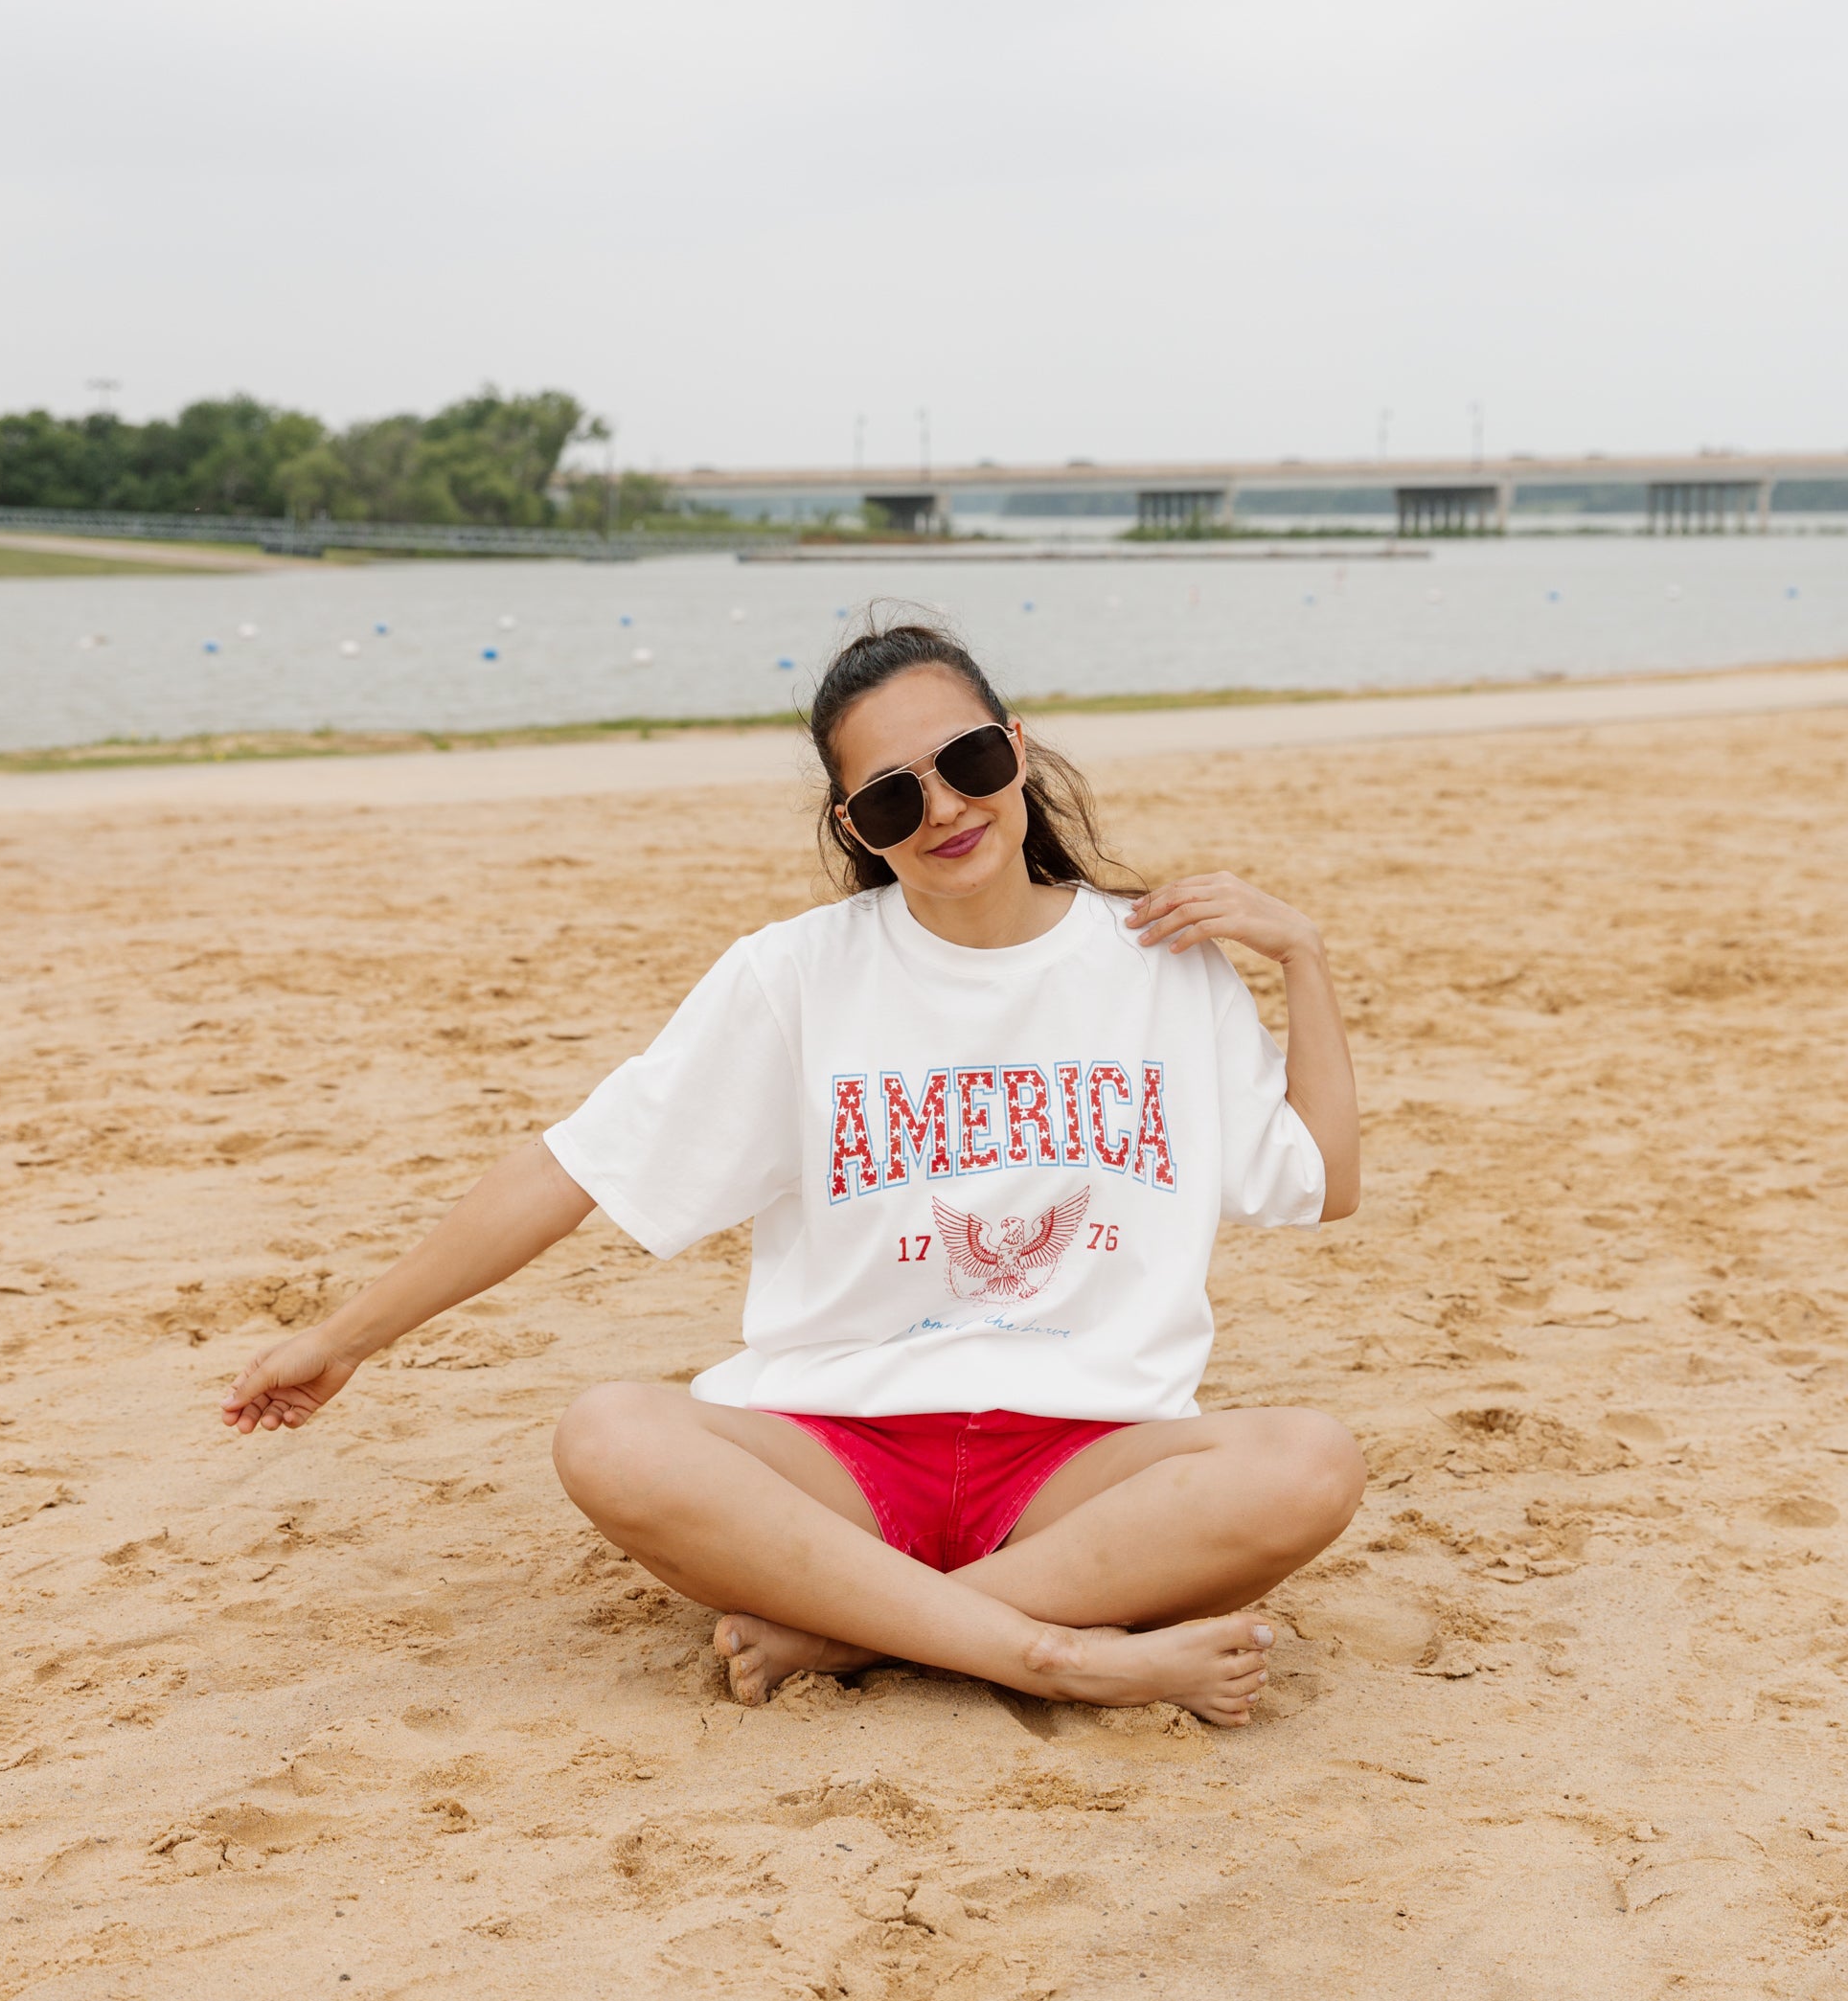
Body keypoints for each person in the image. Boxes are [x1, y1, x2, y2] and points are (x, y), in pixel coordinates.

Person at [222, 617, 1365, 1727]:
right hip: (838, 1457)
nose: (945, 810)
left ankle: (858, 1634)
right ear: (856, 826)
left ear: (1015, 747)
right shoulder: (793, 977)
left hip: (1081, 1461)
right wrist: (341, 1341)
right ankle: (1049, 1655)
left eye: (966, 761)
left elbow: (1319, 1180)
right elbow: (575, 1168)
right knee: (608, 1434)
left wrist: (1300, 955)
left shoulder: (1158, 963)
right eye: (890, 797)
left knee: (1308, 1463)